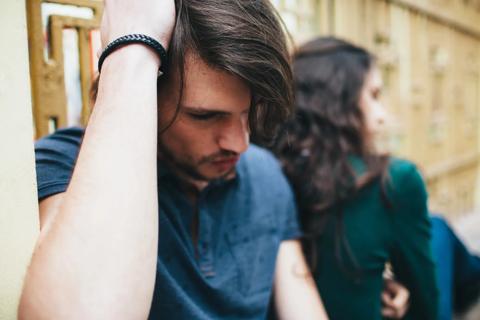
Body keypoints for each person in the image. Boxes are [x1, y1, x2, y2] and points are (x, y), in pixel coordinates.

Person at [19, 1, 329, 319]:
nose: (240, 143)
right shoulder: (64, 165)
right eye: (205, 116)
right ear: (148, 92)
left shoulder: (265, 174)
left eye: (250, 112)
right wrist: (132, 51)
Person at [273, 37, 440, 319]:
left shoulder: (269, 172)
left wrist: (374, 282)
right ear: (339, 103)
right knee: (443, 234)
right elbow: (426, 305)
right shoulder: (395, 181)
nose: (382, 116)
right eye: (374, 96)